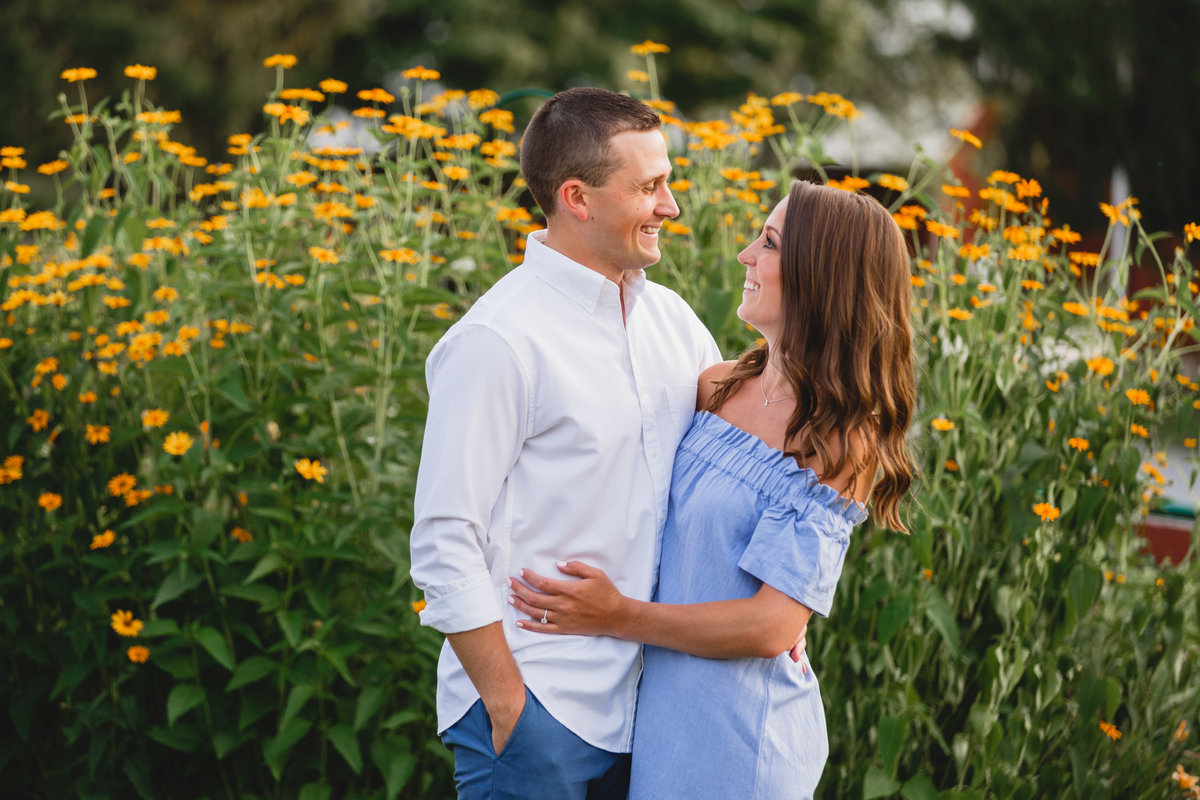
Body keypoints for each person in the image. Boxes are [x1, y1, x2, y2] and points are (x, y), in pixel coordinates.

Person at [508, 180, 916, 799]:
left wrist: (620, 616)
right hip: (658, 726)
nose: (745, 255)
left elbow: (772, 627)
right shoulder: (716, 387)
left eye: (771, 243)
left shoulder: (835, 441)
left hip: (741, 741)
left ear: (821, 275)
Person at [408, 86, 722, 799]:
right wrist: (509, 704)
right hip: (540, 715)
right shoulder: (498, 341)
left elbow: (728, 468)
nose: (671, 206)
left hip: (652, 712)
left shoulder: (673, 321)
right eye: (650, 187)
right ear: (578, 198)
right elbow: (442, 539)